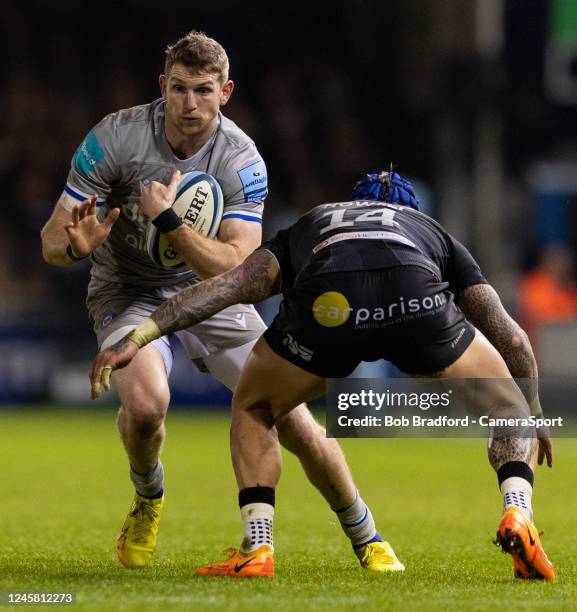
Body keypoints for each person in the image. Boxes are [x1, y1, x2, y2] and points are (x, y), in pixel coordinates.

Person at [41, 31, 397, 575]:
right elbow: (51, 241)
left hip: (217, 296)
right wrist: (74, 246)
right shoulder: (114, 138)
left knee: (295, 420)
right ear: (162, 86)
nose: (190, 104)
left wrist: (169, 223)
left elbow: (239, 268)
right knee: (143, 407)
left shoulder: (241, 158)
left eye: (203, 90)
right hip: (127, 290)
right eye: (179, 89)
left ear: (225, 91)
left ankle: (366, 534)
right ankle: (149, 497)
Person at [91, 170, 555, 580]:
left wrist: (140, 335)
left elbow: (228, 287)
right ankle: (517, 513)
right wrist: (532, 412)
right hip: (414, 298)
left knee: (255, 407)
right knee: (506, 407)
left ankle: (258, 547)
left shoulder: (313, 221)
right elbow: (510, 336)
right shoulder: (428, 229)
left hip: (328, 306)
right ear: (408, 210)